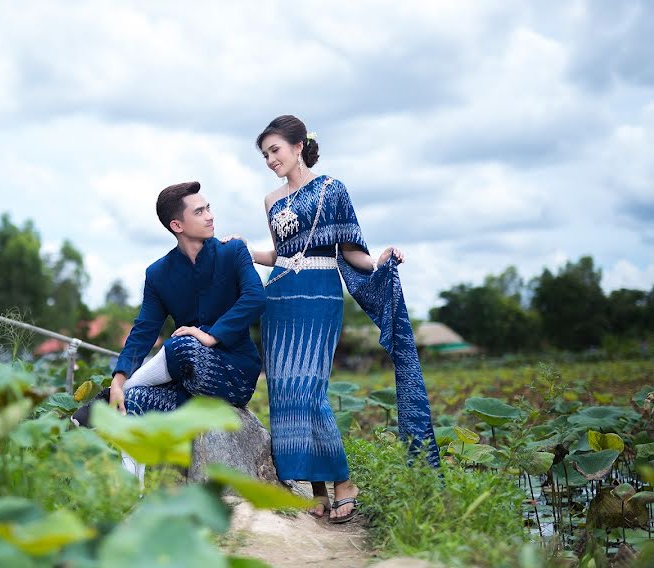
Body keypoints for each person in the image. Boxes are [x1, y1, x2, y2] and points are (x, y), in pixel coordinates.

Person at [226, 115, 439, 524]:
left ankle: (344, 483)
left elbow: (351, 250)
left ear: (298, 145)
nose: (270, 159)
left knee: (309, 392)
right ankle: (317, 491)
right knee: (286, 394)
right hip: (279, 296)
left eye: (275, 150)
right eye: (265, 154)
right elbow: (282, 253)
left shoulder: (331, 189)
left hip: (321, 296)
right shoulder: (271, 201)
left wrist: (378, 260)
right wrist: (247, 250)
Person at [73, 181, 266, 482]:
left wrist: (211, 335)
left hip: (233, 377)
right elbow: (143, 331)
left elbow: (255, 297)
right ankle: (131, 496)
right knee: (133, 400)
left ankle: (101, 403)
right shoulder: (158, 273)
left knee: (183, 344)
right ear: (177, 225)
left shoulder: (234, 251)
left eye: (209, 207)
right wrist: (119, 380)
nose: (210, 216)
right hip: (187, 391)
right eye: (200, 211)